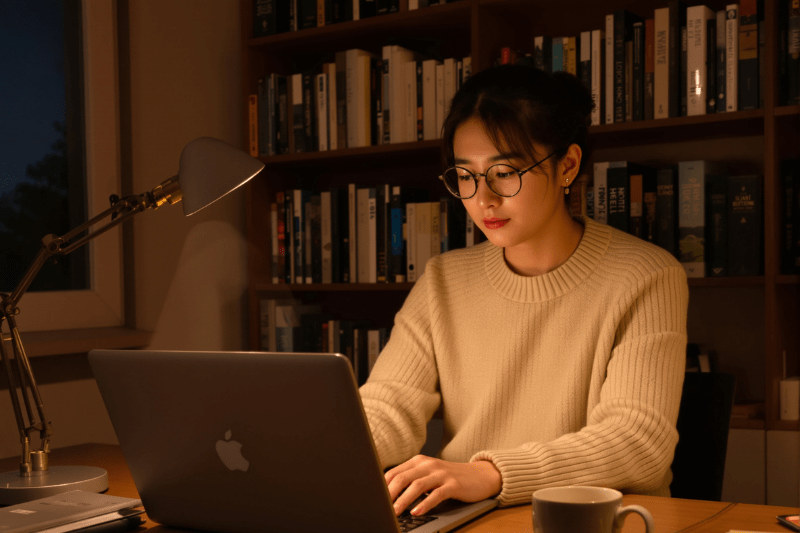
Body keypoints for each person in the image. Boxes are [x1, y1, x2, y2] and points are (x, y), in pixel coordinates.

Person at [358, 63, 689, 517]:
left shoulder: (645, 275)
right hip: (467, 519)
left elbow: (636, 442)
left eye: (504, 172)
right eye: (465, 176)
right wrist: (321, 447)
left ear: (567, 165)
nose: (483, 199)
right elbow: (389, 406)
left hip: (590, 522)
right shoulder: (442, 281)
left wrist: (492, 474)